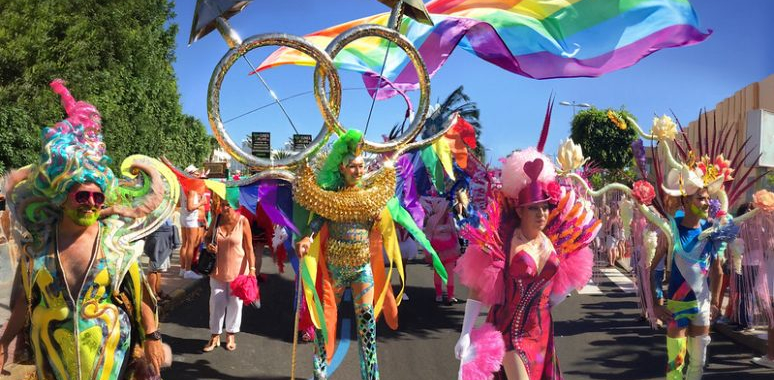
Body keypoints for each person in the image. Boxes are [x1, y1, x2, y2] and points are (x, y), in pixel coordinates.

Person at [0, 80, 174, 378]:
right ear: (61, 196)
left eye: (98, 196)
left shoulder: (115, 245)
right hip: (52, 360)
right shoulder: (39, 246)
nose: (91, 203)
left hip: (107, 360)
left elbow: (141, 297)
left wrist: (153, 339)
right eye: (82, 195)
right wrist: (4, 342)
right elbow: (26, 304)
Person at [294, 129, 446, 380]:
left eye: (361, 166)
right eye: (353, 166)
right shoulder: (330, 199)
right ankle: (319, 374)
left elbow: (383, 221)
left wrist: (379, 220)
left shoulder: (371, 198)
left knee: (367, 327)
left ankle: (371, 377)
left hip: (362, 269)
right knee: (324, 323)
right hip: (335, 271)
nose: (358, 170)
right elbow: (316, 223)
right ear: (342, 169)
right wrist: (306, 239)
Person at [455, 147, 598, 379]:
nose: (541, 214)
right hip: (509, 330)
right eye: (533, 208)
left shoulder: (554, 240)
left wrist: (552, 300)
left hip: (541, 331)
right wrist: (466, 333)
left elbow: (561, 286)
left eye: (544, 207)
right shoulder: (503, 240)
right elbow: (478, 288)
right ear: (520, 211)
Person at [649, 167, 731, 380]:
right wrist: (656, 305)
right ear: (685, 202)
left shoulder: (712, 231)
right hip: (676, 306)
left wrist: (715, 303)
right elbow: (651, 270)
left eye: (707, 198)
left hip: (702, 306)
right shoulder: (671, 229)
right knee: (675, 365)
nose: (705, 203)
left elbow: (718, 271)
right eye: (699, 199)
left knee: (697, 365)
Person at [202, 193, 256, 352]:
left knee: (235, 304)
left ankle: (230, 334)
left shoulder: (243, 221)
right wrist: (208, 245)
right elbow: (207, 237)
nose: (225, 208)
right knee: (216, 302)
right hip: (218, 269)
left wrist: (252, 270)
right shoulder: (217, 219)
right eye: (224, 204)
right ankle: (214, 335)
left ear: (237, 205)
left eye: (229, 205)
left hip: (238, 271)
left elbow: (249, 248)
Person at [421, 195, 461, 304]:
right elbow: (427, 237)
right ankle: (439, 294)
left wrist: (458, 246)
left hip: (449, 250)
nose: (448, 209)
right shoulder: (432, 220)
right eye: (447, 207)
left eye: (449, 207)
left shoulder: (450, 219)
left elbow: (454, 233)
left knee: (450, 273)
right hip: (437, 251)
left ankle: (450, 295)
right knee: (438, 272)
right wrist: (428, 251)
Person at [144, 218, 181, 298]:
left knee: (158, 267)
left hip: (165, 231)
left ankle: (157, 290)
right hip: (159, 231)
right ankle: (152, 294)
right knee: (154, 267)